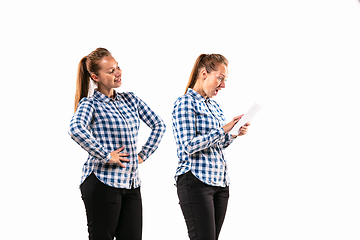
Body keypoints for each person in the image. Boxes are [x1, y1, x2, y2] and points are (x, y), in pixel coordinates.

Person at [68, 47, 166, 240]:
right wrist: (107, 155)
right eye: (110, 71)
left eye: (117, 67)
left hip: (131, 184)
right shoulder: (90, 104)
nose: (118, 73)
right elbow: (75, 129)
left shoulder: (131, 100)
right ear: (95, 77)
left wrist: (142, 155)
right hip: (102, 182)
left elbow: (159, 125)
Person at [172, 54, 251, 240]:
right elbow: (188, 145)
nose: (223, 85)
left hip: (220, 183)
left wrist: (233, 133)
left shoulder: (215, 107)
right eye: (220, 78)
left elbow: (219, 143)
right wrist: (224, 128)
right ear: (204, 73)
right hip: (196, 180)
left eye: (225, 80)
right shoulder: (185, 102)